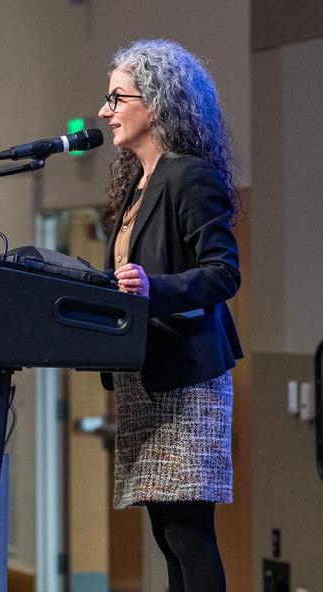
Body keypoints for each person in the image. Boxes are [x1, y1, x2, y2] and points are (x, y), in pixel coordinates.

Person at [98, 39, 243, 592]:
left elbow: (223, 274)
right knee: (165, 533)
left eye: (117, 97)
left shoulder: (189, 176)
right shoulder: (136, 186)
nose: (105, 111)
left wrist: (154, 288)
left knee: (187, 533)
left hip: (187, 378)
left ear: (155, 104)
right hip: (144, 378)